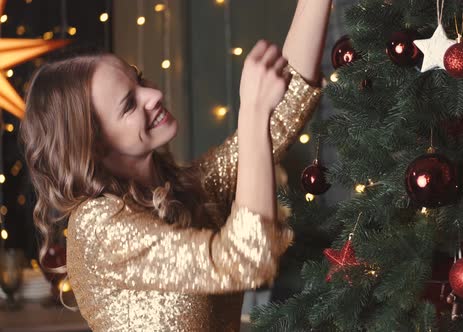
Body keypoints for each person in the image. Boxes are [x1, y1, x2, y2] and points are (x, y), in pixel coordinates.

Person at [18, 1, 332, 331]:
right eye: (129, 104)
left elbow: (285, 108)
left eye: (138, 80)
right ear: (93, 145)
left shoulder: (187, 188)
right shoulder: (99, 226)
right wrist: (252, 111)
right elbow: (247, 259)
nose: (152, 95)